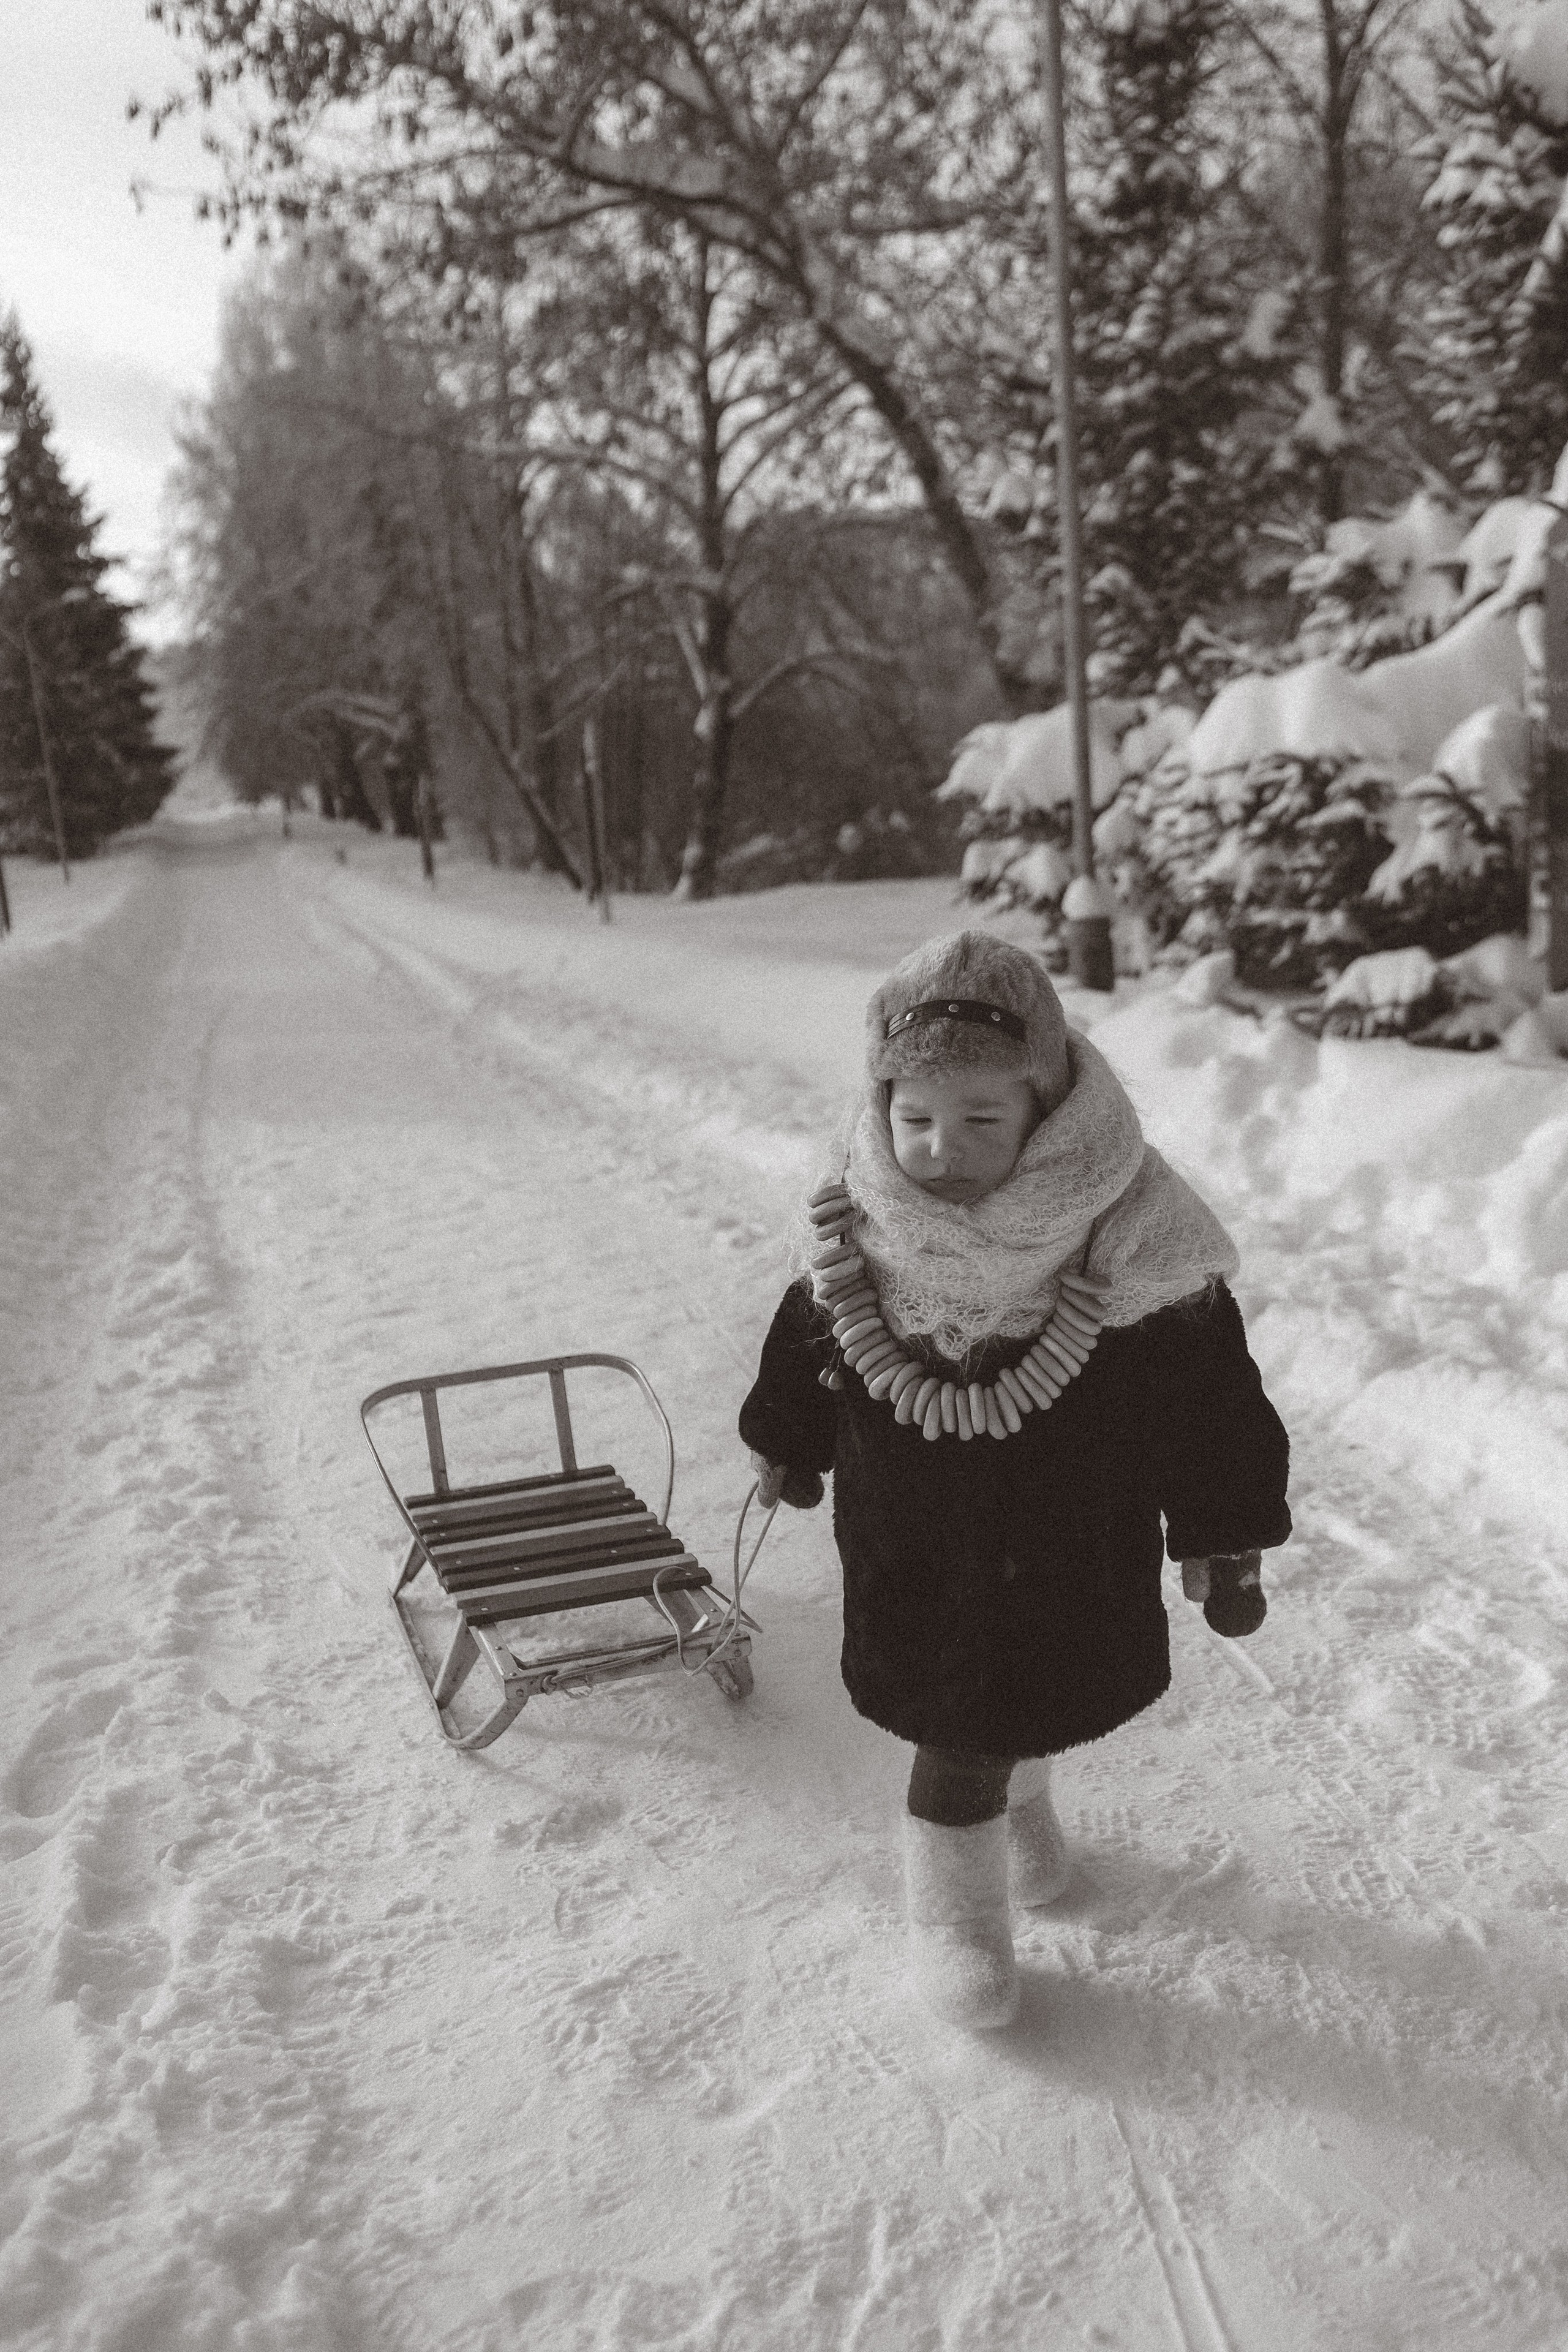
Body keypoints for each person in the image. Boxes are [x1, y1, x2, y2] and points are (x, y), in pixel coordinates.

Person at [738, 932, 1291, 2030]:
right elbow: (809, 1339)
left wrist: (1222, 1531)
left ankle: (1026, 1828)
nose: (943, 1150)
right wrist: (789, 1441)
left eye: (984, 1120)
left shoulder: (1132, 1240)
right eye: (918, 1119)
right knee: (961, 1718)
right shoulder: (862, 1230)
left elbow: (1210, 1400)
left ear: (1048, 1111)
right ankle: (953, 1922)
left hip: (1076, 1530)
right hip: (917, 1540)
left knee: (1029, 1685)